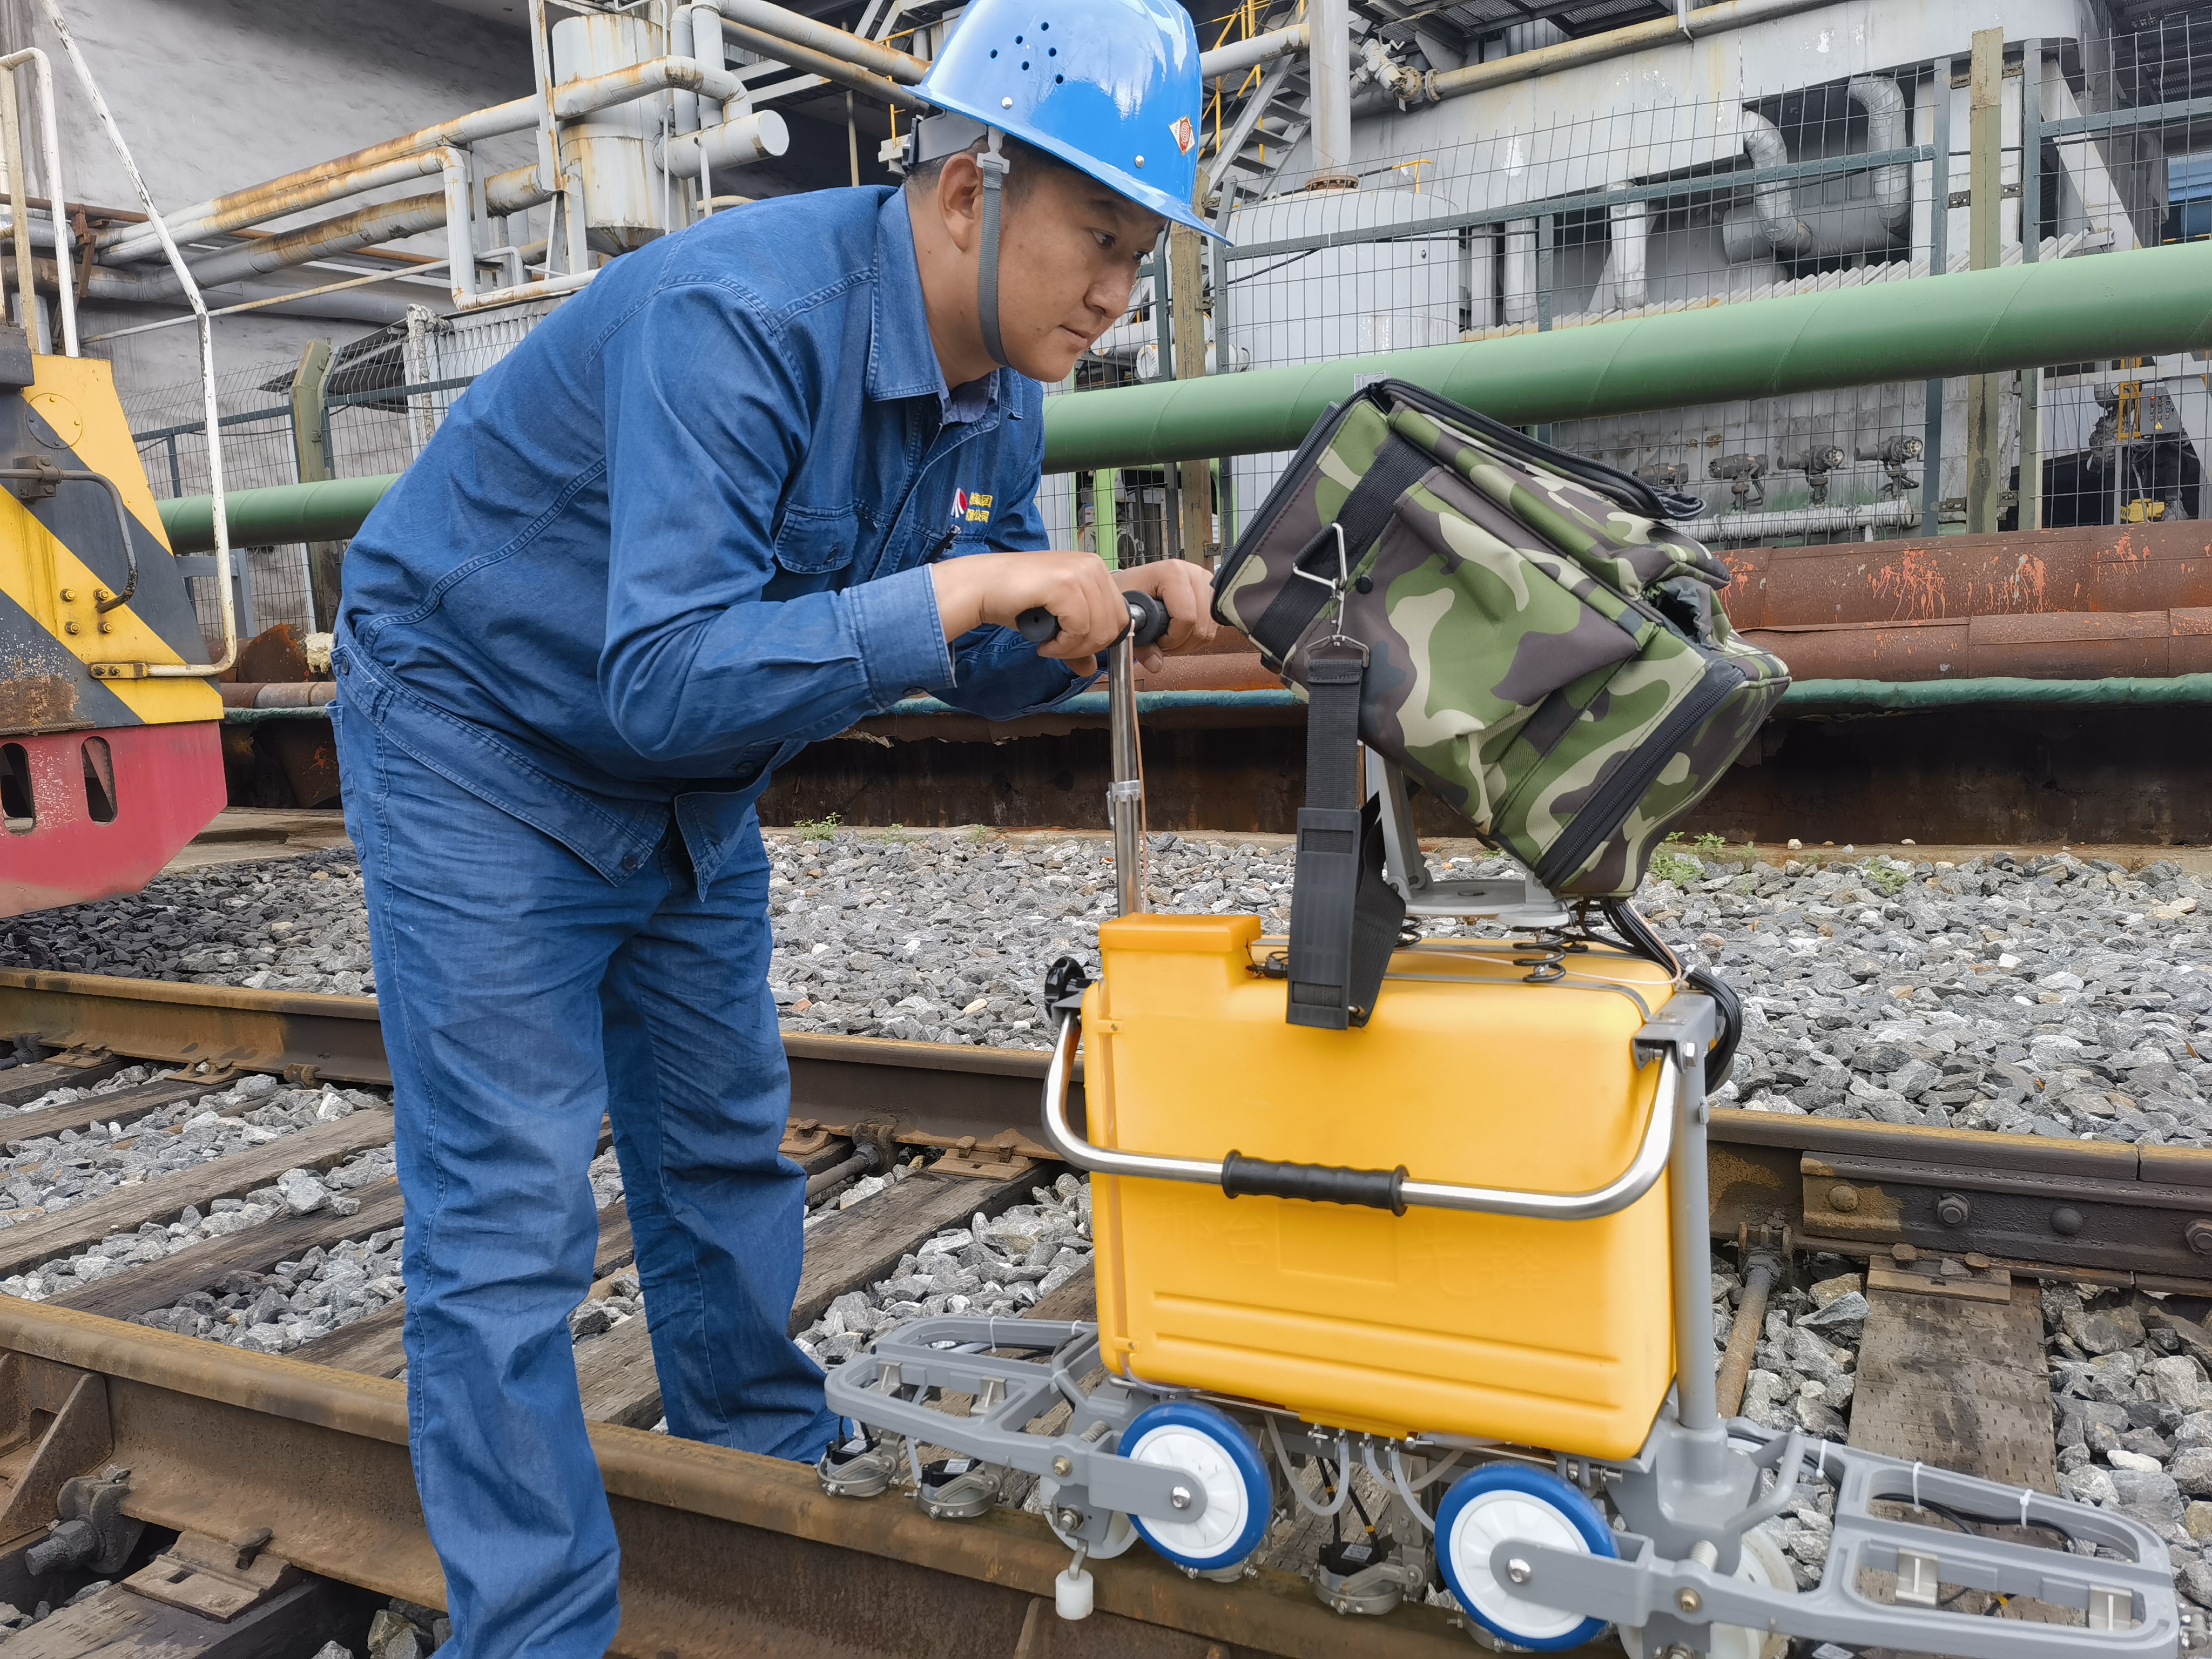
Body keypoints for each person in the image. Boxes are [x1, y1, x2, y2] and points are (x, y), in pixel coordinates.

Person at [330, 0, 1224, 1648]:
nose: (1120, 291)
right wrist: (963, 582)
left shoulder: (996, 390)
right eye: (1099, 237)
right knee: (512, 1212)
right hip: (483, 732)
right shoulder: (741, 316)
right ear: (973, 191)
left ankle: (754, 1449)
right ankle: (530, 1627)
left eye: (1144, 251)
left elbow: (956, 664)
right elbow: (670, 670)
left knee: (724, 1133)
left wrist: (1089, 619)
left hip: (676, 763)